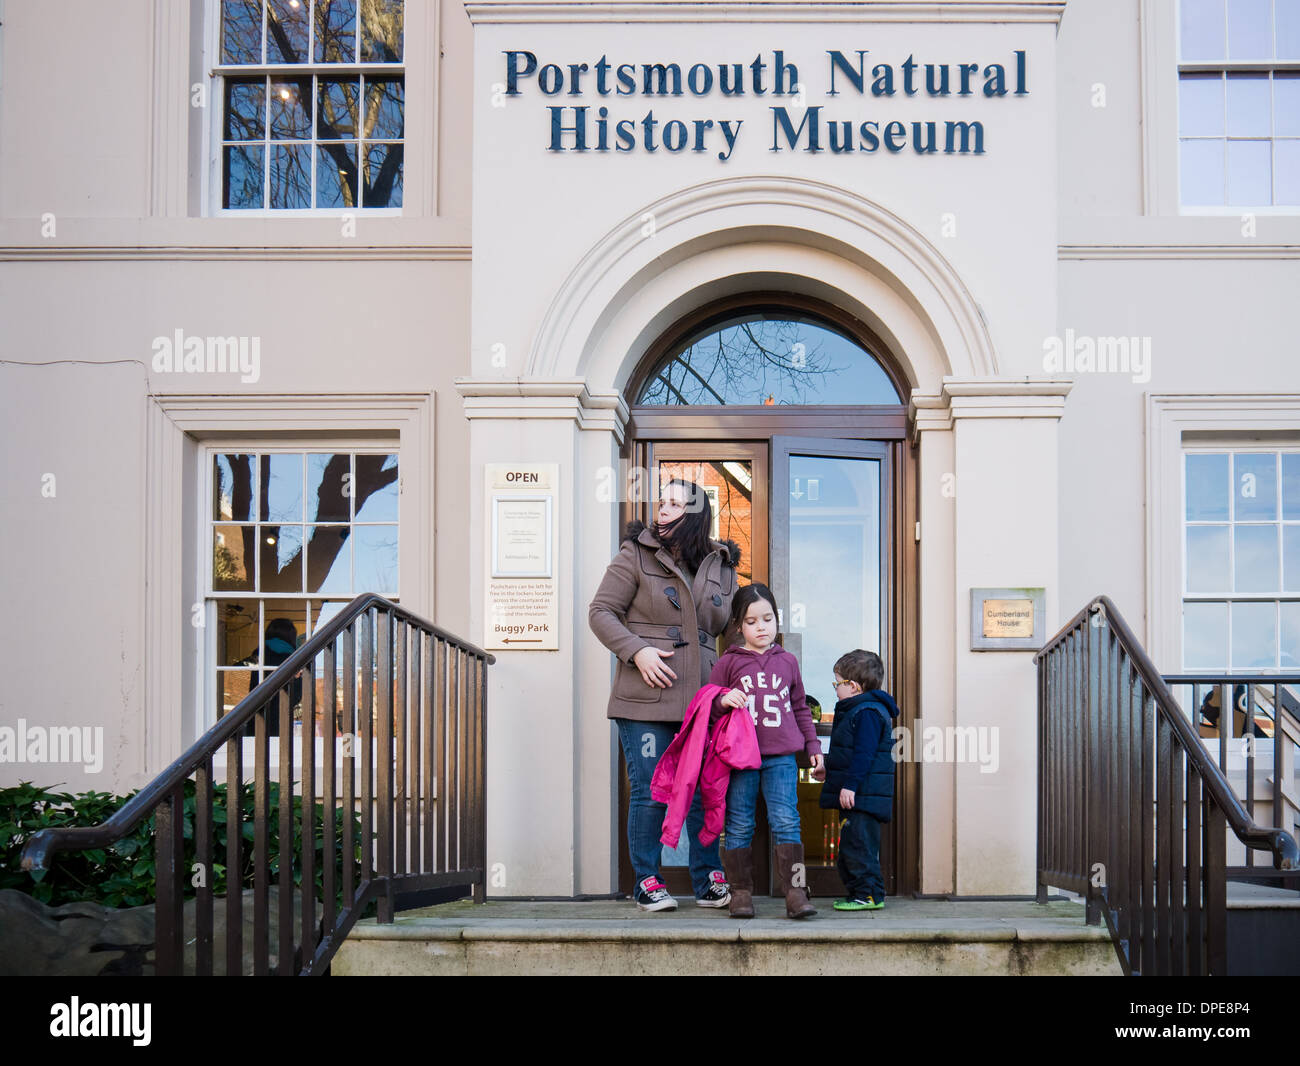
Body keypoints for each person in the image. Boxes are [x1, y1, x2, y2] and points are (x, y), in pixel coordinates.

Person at [588, 478, 742, 912]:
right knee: (653, 790)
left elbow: (731, 629)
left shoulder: (721, 566)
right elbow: (601, 611)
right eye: (661, 501)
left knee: (702, 789)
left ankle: (707, 881)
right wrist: (635, 651)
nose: (663, 508)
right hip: (646, 696)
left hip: (703, 699)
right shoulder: (635, 554)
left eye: (675, 502)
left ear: (695, 512)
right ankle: (648, 880)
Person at [709, 583, 823, 919]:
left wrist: (813, 746)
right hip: (741, 759)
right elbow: (707, 706)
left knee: (787, 822)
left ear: (777, 620)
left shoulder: (787, 661)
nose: (761, 627)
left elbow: (801, 708)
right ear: (739, 626)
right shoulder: (728, 663)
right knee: (740, 824)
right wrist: (721, 699)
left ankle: (796, 892)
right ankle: (740, 893)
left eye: (768, 618)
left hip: (781, 758)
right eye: (752, 621)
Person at [819, 649, 900, 911]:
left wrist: (850, 785)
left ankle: (869, 896)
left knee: (859, 848)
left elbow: (863, 755)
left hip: (863, 797)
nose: (835, 689)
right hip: (861, 796)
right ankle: (862, 893)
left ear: (852, 686)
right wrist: (828, 769)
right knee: (853, 846)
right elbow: (848, 753)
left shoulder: (866, 712)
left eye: (837, 683)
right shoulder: (861, 710)